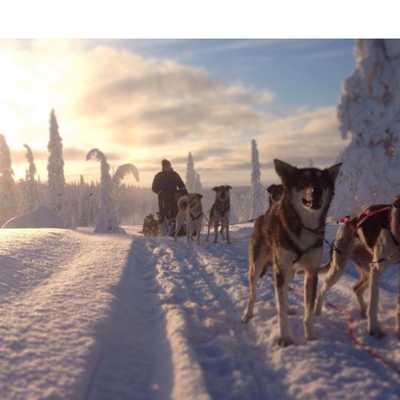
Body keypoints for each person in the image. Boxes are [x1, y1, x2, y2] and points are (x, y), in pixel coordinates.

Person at [152, 159, 187, 234]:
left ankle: (179, 225)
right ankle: (165, 227)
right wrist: (160, 192)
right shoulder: (159, 176)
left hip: (175, 196)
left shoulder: (175, 175)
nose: (167, 167)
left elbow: (181, 185)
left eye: (168, 165)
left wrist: (184, 192)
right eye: (165, 166)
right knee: (164, 212)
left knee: (178, 210)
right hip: (163, 197)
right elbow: (154, 187)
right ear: (163, 167)